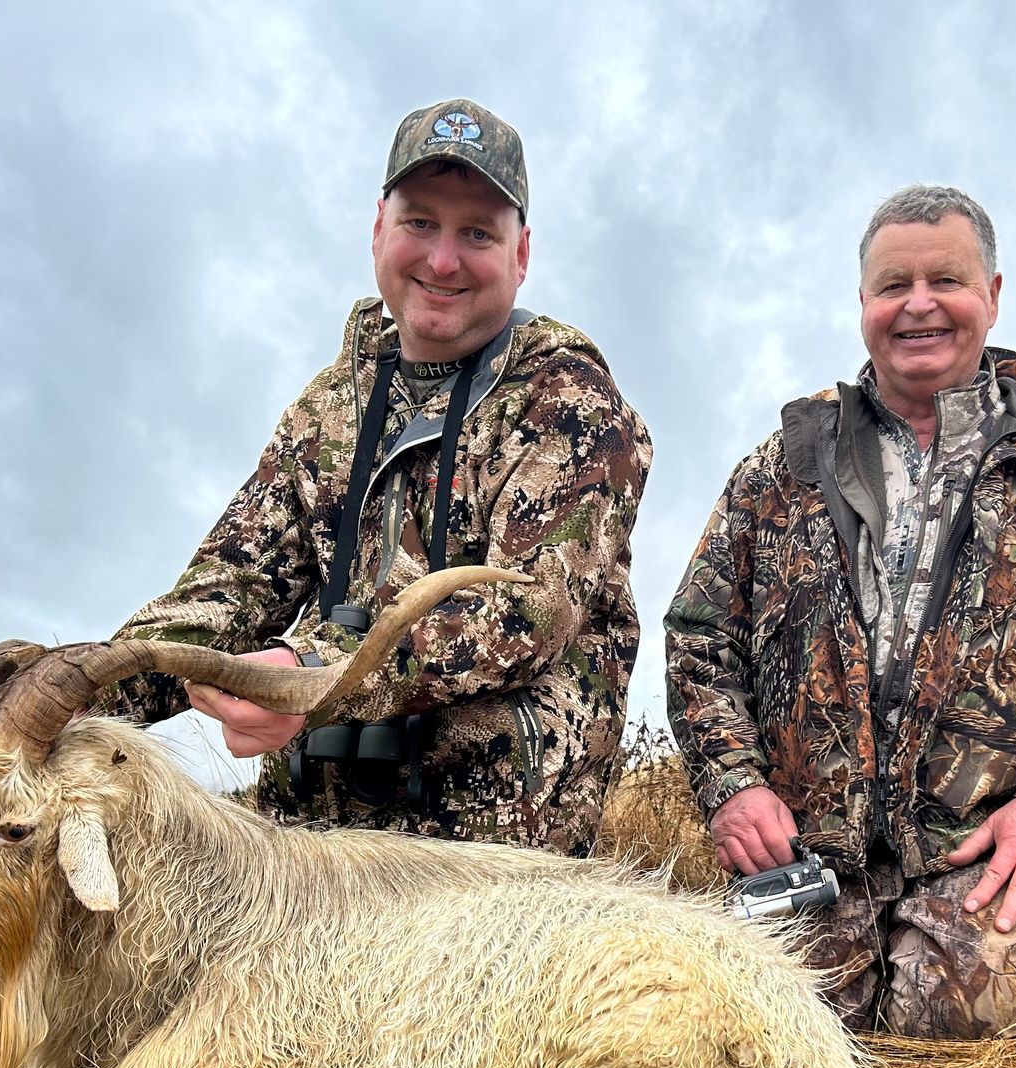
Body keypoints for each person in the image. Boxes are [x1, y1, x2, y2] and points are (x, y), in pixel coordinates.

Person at [665, 185, 1016, 1038]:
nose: (920, 305)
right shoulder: (784, 463)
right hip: (812, 861)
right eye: (893, 285)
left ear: (994, 295)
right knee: (748, 1042)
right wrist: (734, 787)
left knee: (966, 1023)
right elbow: (700, 639)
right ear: (864, 304)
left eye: (947, 280)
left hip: (982, 860)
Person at [105, 99, 651, 855]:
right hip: (314, 847)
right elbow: (231, 587)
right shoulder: (330, 406)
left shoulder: (572, 402)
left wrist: (310, 672)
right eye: (420, 222)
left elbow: (528, 613)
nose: (442, 260)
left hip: (490, 862)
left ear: (520, 256)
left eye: (477, 234)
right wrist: (77, 689)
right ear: (378, 230)